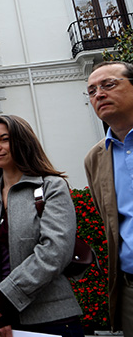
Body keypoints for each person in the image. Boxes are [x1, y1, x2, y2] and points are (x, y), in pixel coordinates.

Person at [0, 115, 84, 337]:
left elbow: (55, 250)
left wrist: (5, 297)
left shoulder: (52, 187)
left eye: (4, 139)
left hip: (52, 318)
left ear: (22, 141)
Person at [84, 61, 133, 335]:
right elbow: (110, 221)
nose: (98, 94)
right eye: (91, 91)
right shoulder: (95, 159)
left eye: (108, 85)